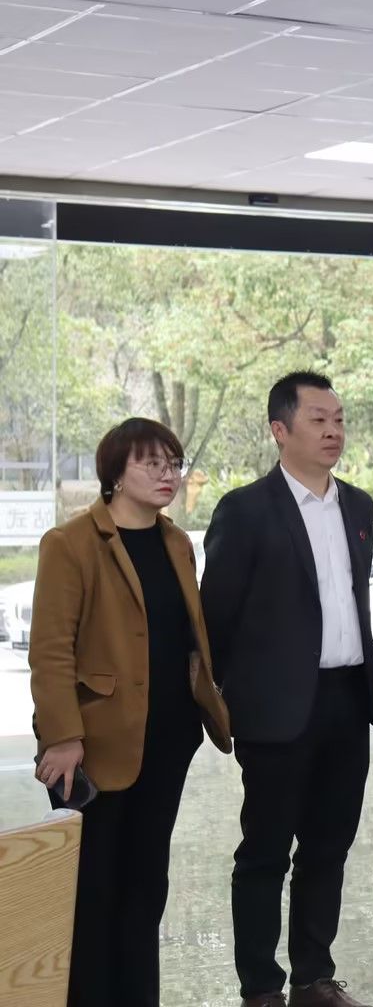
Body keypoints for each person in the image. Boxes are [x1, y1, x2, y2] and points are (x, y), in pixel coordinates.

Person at [29, 418, 231, 1007]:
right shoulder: (70, 544)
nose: (168, 475)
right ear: (115, 473)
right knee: (93, 891)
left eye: (174, 464)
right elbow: (51, 650)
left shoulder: (176, 543)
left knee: (147, 887)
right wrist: (62, 737)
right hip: (95, 743)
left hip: (168, 737)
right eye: (152, 463)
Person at [202, 372, 373, 1007]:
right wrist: (237, 696)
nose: (333, 431)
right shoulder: (245, 510)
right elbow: (216, 617)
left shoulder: (358, 506)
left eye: (339, 419)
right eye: (318, 419)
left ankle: (314, 977)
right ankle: (260, 986)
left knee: (328, 848)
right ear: (280, 430)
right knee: (265, 852)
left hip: (347, 700)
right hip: (275, 710)